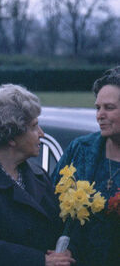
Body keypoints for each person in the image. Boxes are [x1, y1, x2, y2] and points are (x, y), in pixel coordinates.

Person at [0, 84, 76, 266]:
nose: (41, 134)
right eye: (34, 127)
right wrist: (39, 260)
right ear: (11, 136)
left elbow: (57, 229)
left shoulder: (38, 175)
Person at [52, 66, 120, 266]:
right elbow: (51, 204)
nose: (100, 115)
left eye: (109, 108)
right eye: (97, 108)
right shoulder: (80, 149)